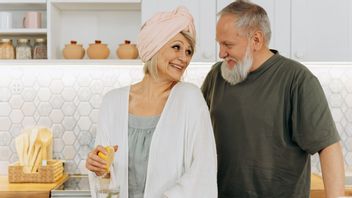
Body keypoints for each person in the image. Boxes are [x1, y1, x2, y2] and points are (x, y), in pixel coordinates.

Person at [201, 0, 345, 197]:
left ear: (257, 40)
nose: (221, 53)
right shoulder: (216, 76)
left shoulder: (297, 80)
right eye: (219, 44)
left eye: (228, 44)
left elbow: (327, 146)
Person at [86, 6, 217, 198]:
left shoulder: (190, 98)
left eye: (189, 51)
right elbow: (107, 180)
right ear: (154, 46)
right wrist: (99, 169)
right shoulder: (112, 102)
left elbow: (203, 169)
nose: (184, 58)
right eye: (176, 47)